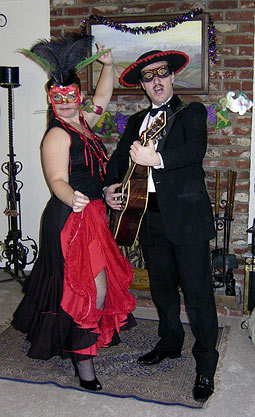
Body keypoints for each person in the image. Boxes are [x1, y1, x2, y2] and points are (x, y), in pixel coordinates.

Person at [12, 33, 136, 391]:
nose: (65, 104)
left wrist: (107, 67)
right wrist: (73, 198)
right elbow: (56, 180)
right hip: (70, 219)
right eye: (59, 99)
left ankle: (77, 345)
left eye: (71, 97)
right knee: (89, 291)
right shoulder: (57, 135)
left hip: (92, 215)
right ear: (51, 99)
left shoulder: (83, 120)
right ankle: (84, 365)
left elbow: (103, 98)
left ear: (77, 97)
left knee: (87, 288)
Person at [104, 50, 219, 403]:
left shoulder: (192, 112)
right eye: (148, 76)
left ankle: (205, 363)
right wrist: (108, 188)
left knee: (198, 294)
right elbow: (118, 159)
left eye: (162, 74)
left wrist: (157, 158)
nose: (156, 81)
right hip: (147, 215)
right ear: (142, 84)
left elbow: (194, 150)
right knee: (163, 289)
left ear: (172, 77)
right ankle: (170, 344)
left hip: (187, 218)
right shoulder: (137, 119)